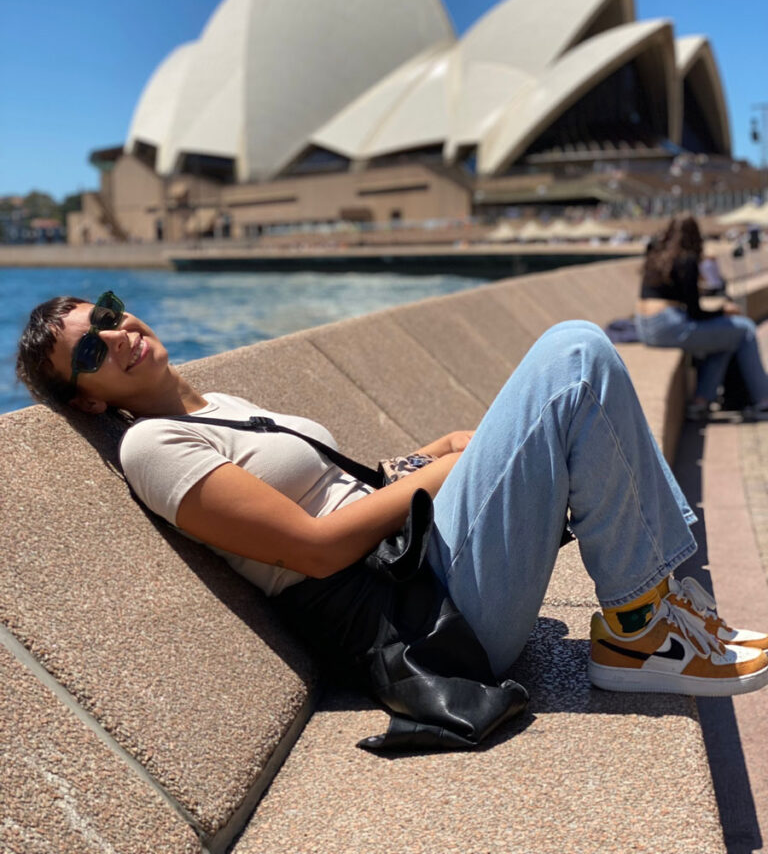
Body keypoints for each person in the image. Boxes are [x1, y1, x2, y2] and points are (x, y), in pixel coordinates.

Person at [15, 291, 768, 723]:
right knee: (574, 356)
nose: (115, 336)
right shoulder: (152, 445)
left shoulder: (216, 404)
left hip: (425, 570)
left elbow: (343, 485)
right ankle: (640, 630)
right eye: (90, 352)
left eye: (107, 314)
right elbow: (311, 549)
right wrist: (445, 475)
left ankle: (657, 604)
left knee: (576, 367)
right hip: (428, 617)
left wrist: (433, 451)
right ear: (88, 399)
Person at [636, 215, 768, 421]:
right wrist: (723, 311)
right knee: (745, 329)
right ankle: (764, 401)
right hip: (668, 325)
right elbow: (695, 313)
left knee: (727, 339)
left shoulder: (656, 255)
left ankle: (701, 402)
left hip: (644, 326)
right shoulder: (687, 259)